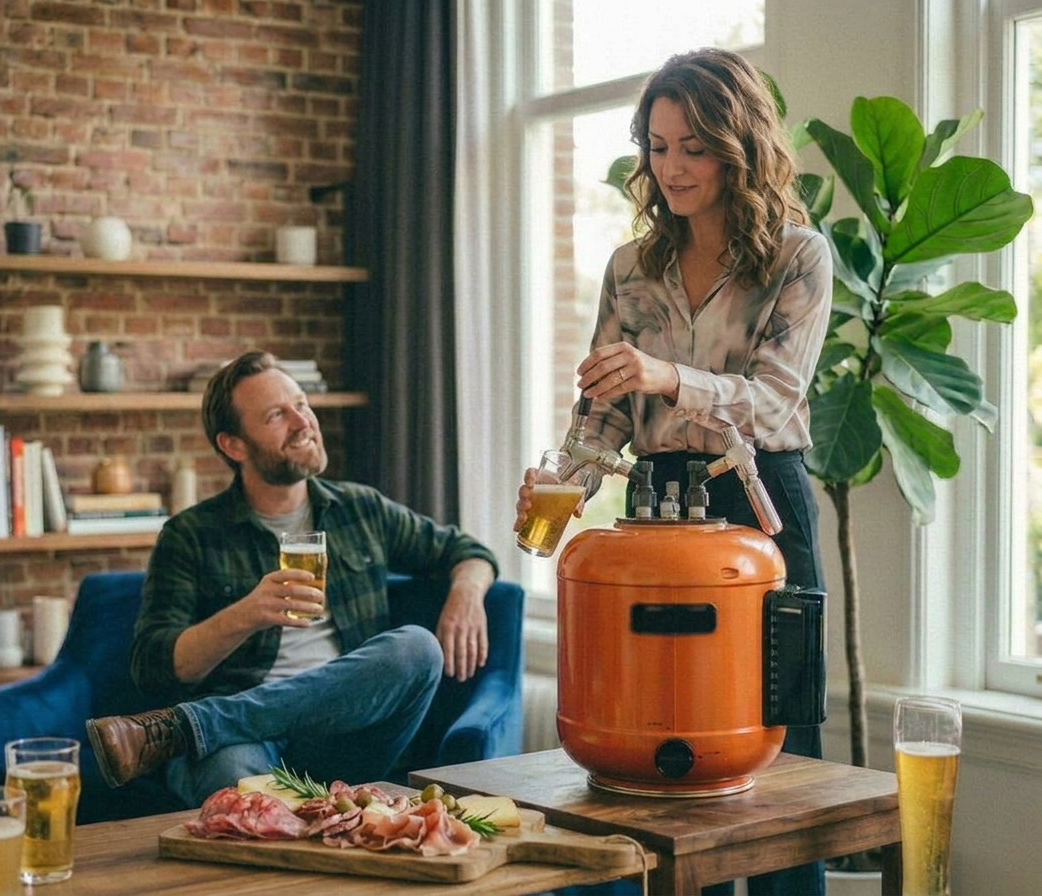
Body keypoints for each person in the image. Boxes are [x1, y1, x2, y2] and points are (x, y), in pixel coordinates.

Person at [515, 48, 831, 896]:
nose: (673, 167)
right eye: (657, 147)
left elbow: (772, 404)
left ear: (737, 144)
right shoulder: (631, 269)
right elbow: (604, 415)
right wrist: (563, 488)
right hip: (656, 515)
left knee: (779, 741)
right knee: (666, 740)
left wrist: (666, 376)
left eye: (693, 145)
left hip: (760, 503)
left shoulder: (799, 258)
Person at [87, 350, 498, 808]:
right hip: (242, 744)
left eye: (301, 404)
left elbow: (467, 551)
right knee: (236, 785)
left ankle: (187, 726)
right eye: (276, 415)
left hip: (345, 735)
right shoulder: (191, 535)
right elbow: (154, 666)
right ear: (234, 445)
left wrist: (465, 593)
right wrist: (244, 615)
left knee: (417, 648)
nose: (302, 422)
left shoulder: (361, 509)